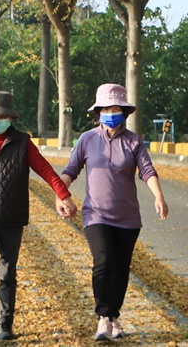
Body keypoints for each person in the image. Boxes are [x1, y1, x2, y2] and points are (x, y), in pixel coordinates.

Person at [0, 90, 77, 344]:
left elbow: (45, 170)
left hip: (12, 218)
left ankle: (5, 323)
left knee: (7, 273)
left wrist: (64, 195)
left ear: (9, 117)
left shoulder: (22, 142)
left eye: (2, 116)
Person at [60, 83, 168, 341]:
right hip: (95, 214)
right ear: (98, 112)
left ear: (124, 112)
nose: (112, 112)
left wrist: (159, 196)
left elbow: (147, 170)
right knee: (103, 262)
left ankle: (115, 317)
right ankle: (103, 317)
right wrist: (60, 194)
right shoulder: (87, 139)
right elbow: (70, 170)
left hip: (127, 217)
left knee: (120, 268)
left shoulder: (133, 141)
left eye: (116, 108)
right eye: (107, 108)